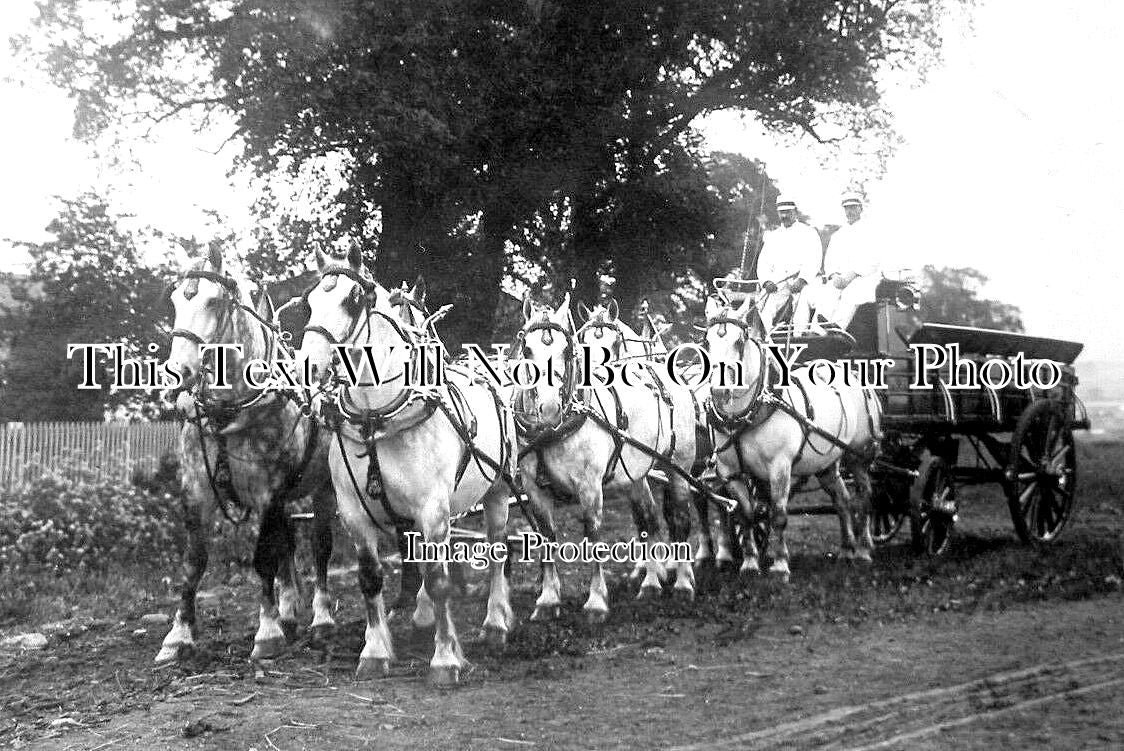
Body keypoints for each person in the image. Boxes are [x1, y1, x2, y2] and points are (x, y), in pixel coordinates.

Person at [812, 191, 884, 330]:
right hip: (840, 278)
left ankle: (838, 329)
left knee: (852, 292)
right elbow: (829, 261)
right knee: (828, 291)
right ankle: (816, 332)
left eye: (853, 207)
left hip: (863, 278)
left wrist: (850, 276)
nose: (849, 211)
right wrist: (834, 275)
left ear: (860, 208)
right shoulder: (838, 235)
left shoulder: (871, 231)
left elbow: (873, 260)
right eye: (847, 208)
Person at [754, 196, 823, 329]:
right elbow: (763, 263)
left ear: (795, 212)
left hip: (803, 282)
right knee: (763, 303)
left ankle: (799, 337)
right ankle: (769, 339)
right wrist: (767, 281)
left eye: (788, 212)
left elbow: (814, 259)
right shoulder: (773, 236)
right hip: (778, 283)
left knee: (801, 303)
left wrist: (802, 280)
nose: (784, 215)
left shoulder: (808, 232)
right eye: (781, 212)